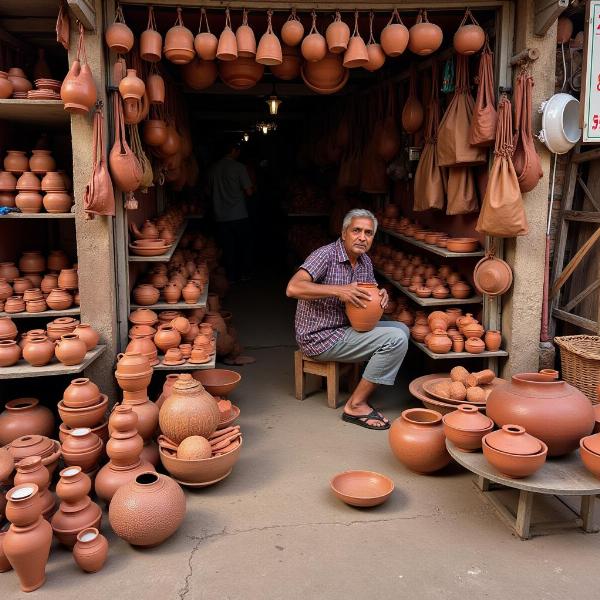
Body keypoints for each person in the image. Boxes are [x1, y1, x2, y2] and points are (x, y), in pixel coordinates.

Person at [286, 209, 409, 430]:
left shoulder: (365, 263)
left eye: (368, 233)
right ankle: (355, 404)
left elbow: (368, 293)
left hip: (346, 328)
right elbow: (293, 288)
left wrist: (381, 294)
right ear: (344, 233)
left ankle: (365, 384)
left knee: (403, 329)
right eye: (357, 231)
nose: (363, 237)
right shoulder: (325, 255)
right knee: (396, 339)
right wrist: (338, 291)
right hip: (320, 337)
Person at [209, 140, 254, 283]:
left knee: (227, 247)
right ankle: (244, 274)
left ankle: (230, 277)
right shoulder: (239, 167)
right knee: (243, 245)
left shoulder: (214, 168)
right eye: (238, 151)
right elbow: (249, 191)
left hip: (220, 215)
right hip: (239, 214)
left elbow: (207, 191)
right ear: (234, 151)